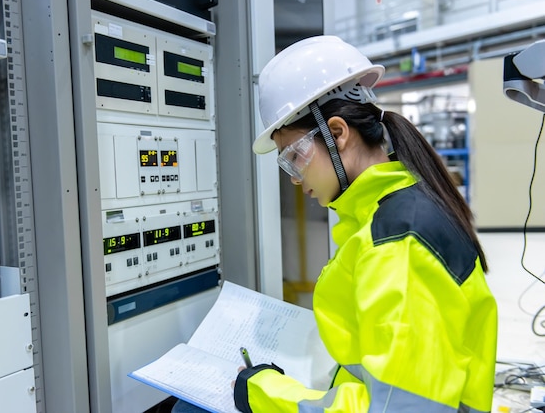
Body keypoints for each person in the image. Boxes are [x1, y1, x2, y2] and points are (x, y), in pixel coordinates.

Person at [173, 35, 497, 413]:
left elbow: (403, 408)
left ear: (338, 133)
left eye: (295, 155)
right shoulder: (386, 214)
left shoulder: (398, 243)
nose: (295, 177)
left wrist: (263, 391)